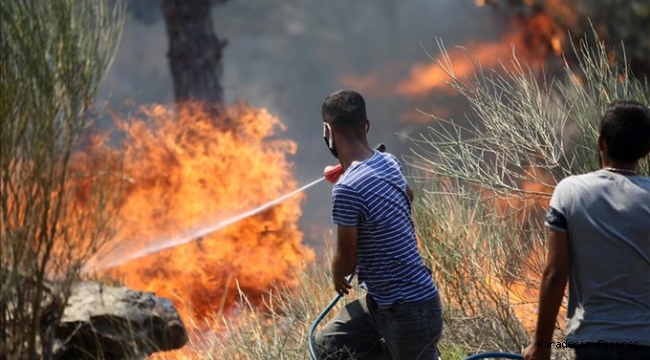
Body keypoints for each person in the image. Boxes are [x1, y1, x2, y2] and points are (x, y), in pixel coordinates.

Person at [313, 90, 442, 360]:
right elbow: (409, 194)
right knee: (329, 344)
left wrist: (337, 274)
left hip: (411, 311)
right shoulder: (388, 162)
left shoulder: (347, 189)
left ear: (328, 131)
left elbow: (347, 262)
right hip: (381, 304)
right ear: (367, 125)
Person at [523, 100, 650, 360]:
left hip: (594, 342)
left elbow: (555, 275)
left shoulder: (570, 191)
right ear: (647, 149)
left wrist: (542, 346)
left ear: (600, 142)